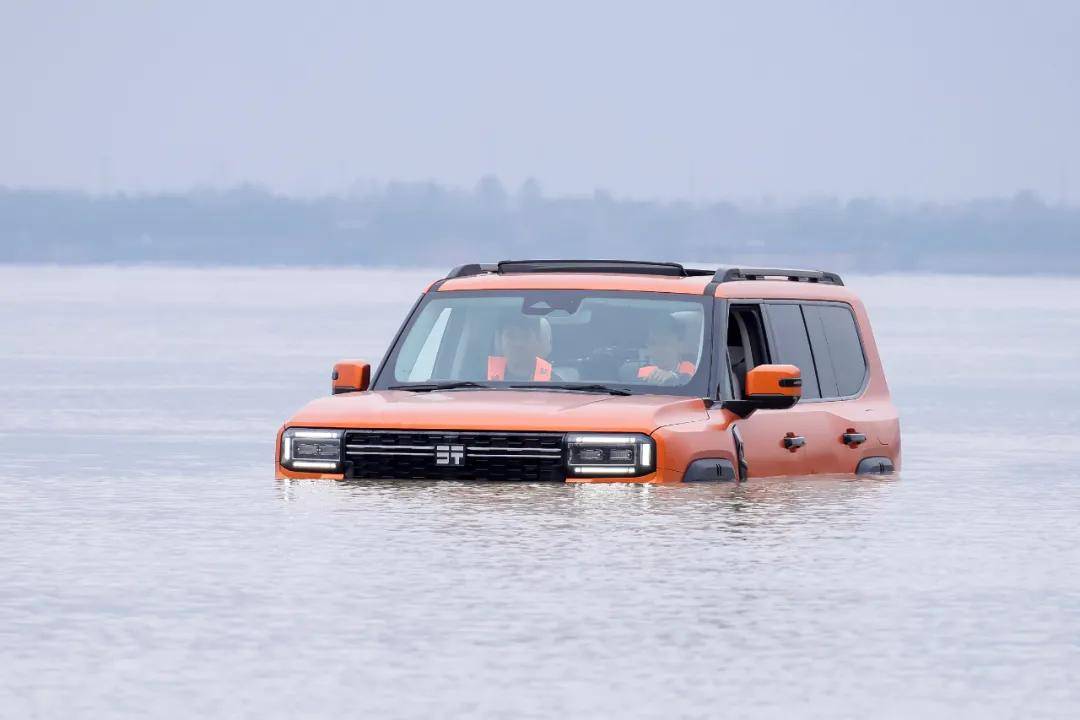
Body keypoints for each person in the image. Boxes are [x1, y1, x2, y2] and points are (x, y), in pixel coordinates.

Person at [487, 315, 553, 381]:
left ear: (539, 342)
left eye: (525, 336)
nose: (518, 343)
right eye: (511, 336)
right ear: (499, 343)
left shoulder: (554, 385)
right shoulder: (484, 383)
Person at [638, 316, 696, 386]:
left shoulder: (689, 368)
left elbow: (689, 380)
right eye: (653, 343)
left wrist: (674, 377)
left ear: (680, 346)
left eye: (664, 343)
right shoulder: (643, 371)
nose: (658, 349)